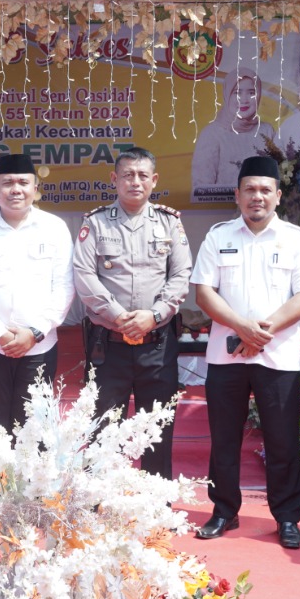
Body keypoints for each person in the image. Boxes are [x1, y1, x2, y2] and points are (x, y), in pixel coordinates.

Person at [191, 154, 300, 549]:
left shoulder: (296, 239)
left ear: (278, 196)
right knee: (224, 438)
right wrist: (241, 327)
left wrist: (262, 332)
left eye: (266, 190)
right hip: (226, 355)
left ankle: (287, 518)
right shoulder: (219, 237)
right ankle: (224, 510)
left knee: (283, 439)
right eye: (249, 189)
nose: (257, 196)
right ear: (237, 194)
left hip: (276, 355)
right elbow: (204, 293)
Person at [73, 147, 192, 479]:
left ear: (154, 180)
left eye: (142, 175)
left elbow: (181, 274)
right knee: (103, 429)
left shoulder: (169, 223)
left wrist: (153, 316)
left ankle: (155, 499)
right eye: (127, 175)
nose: (135, 181)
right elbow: (83, 275)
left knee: (156, 429)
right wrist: (118, 316)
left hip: (157, 344)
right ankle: (98, 500)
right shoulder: (95, 223)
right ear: (114, 179)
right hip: (107, 344)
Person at [0, 154, 74, 442]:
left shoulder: (54, 227)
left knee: (34, 431)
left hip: (39, 346)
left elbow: (65, 286)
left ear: (35, 189)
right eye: (7, 183)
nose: (15, 189)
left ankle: (31, 476)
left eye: (23, 182)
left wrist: (35, 332)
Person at [189, 72, 272, 193]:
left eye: (251, 93)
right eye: (237, 93)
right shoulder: (211, 134)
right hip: (223, 204)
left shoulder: (267, 130)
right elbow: (201, 190)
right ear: (227, 95)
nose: (244, 100)